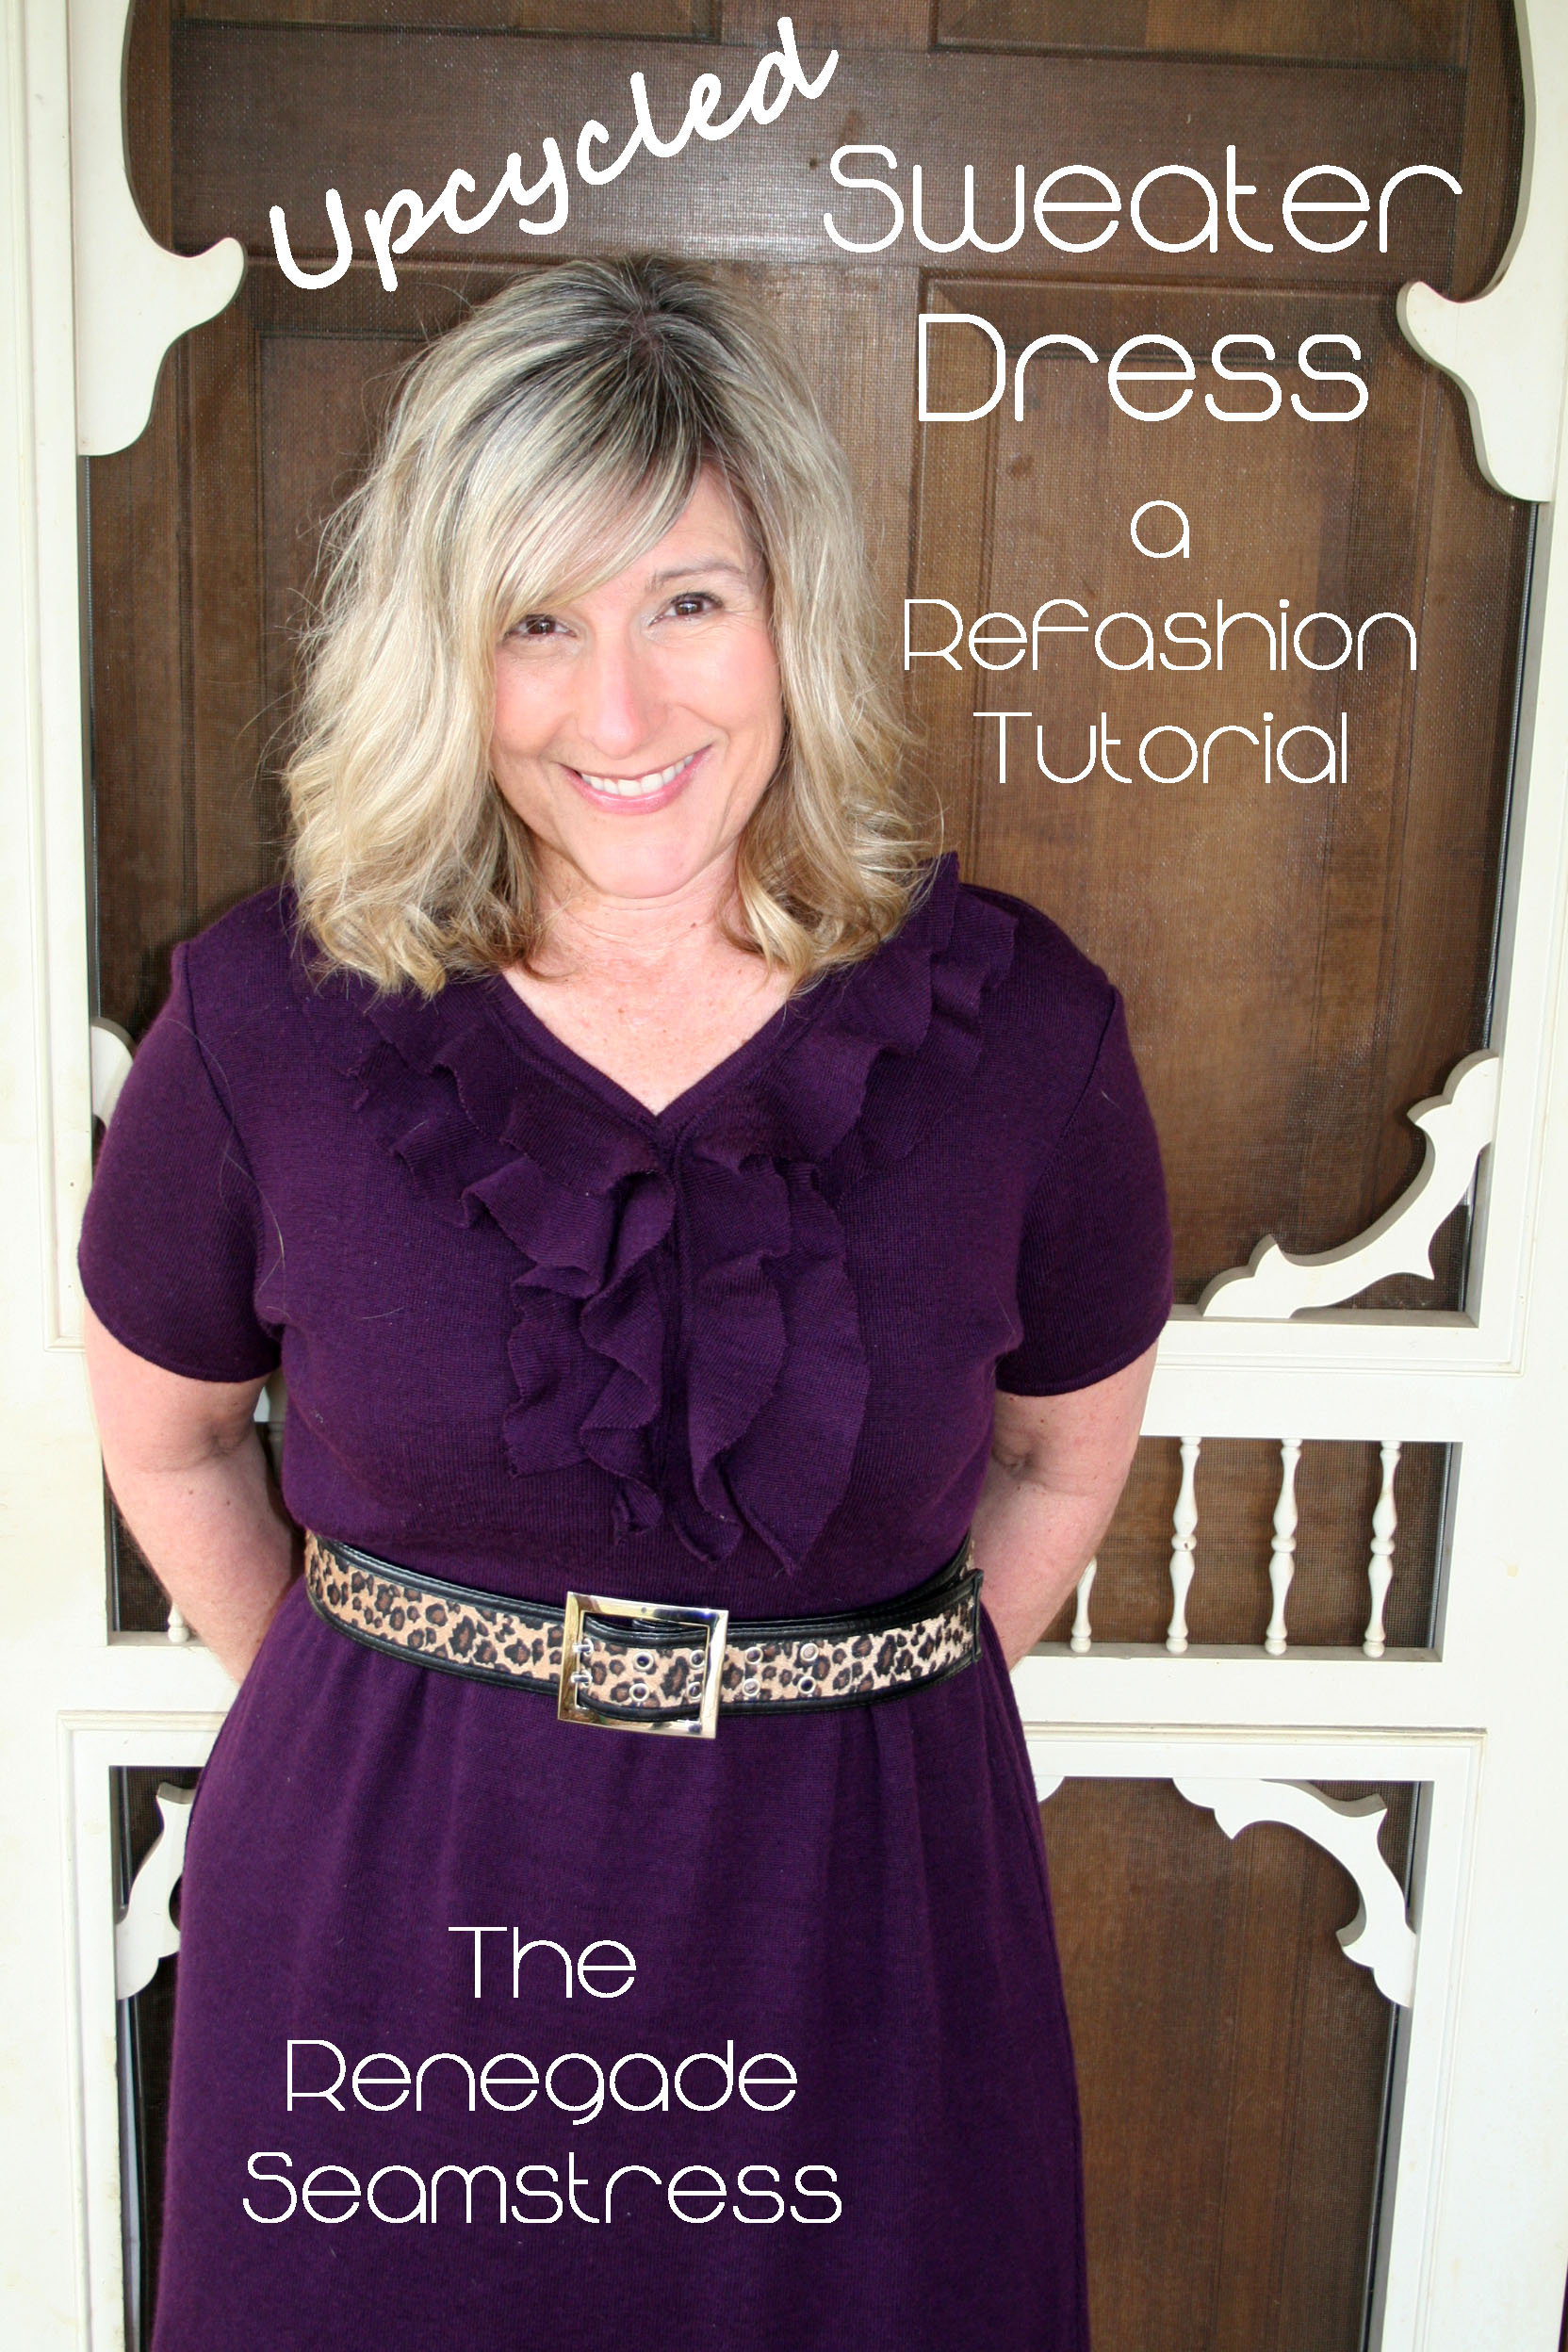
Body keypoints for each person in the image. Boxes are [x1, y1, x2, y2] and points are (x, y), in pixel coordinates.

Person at [79, 256, 1172, 2351]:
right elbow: (171, 1433)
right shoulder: (265, 1020)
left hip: (861, 1938)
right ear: (442, 650)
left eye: (686, 601)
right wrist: (395, 1714)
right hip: (392, 1951)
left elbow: (1056, 1468)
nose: (620, 713)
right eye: (537, 623)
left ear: (794, 609)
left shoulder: (1026, 1032)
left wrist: (839, 1713)